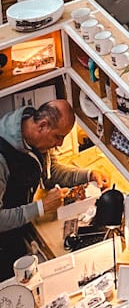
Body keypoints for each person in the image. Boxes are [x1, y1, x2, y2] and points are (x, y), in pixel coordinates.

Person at [0, 99, 101, 279]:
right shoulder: (2, 157)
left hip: (18, 230)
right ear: (43, 125)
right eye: (58, 136)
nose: (60, 144)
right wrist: (41, 207)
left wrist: (88, 175)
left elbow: (50, 173)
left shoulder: (33, 136)